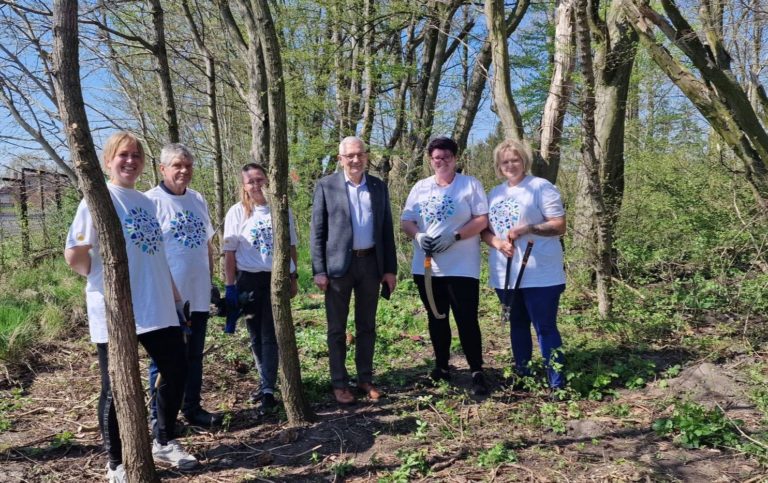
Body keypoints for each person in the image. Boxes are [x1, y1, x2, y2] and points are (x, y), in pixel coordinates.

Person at [64, 132, 197, 482]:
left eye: (136, 155)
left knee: (176, 369)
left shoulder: (145, 201)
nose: (130, 160)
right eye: (123, 155)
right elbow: (74, 255)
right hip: (117, 310)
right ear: (108, 161)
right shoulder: (98, 199)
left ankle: (164, 441)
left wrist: (176, 298)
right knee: (117, 386)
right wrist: (100, 279)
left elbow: (157, 256)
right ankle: (117, 463)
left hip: (157, 305)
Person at [310, 136, 397, 404]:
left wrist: (390, 269)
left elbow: (386, 230)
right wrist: (319, 270)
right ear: (341, 159)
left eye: (360, 154)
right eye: (350, 156)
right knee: (337, 329)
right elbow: (317, 232)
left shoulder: (378, 187)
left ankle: (364, 378)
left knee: (366, 326)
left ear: (366, 156)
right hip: (338, 268)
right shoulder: (326, 186)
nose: (356, 160)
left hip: (371, 264)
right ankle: (339, 383)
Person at [400, 136, 490, 396]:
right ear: (430, 160)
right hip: (427, 268)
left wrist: (456, 235)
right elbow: (407, 220)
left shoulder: (470, 185)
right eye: (436, 158)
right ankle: (442, 367)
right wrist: (418, 235)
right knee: (436, 318)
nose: (441, 162)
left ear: (455, 159)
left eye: (446, 157)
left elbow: (482, 219)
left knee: (466, 319)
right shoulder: (420, 187)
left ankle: (476, 369)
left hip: (462, 267)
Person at [145, 143, 222, 428]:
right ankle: (161, 418)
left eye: (188, 165)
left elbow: (207, 245)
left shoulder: (197, 199)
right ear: (163, 169)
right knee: (164, 361)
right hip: (167, 297)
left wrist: (211, 283)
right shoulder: (149, 202)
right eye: (177, 165)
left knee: (194, 356)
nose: (184, 170)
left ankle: (192, 407)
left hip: (198, 294)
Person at [481, 139, 567, 393]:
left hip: (540, 273)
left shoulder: (541, 187)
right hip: (505, 273)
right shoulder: (494, 194)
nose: (510, 165)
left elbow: (558, 225)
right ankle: (523, 377)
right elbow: (485, 230)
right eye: (505, 161)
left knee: (545, 328)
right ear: (498, 165)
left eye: (515, 160)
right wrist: (497, 242)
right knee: (517, 325)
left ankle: (557, 383)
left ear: (524, 161)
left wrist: (528, 228)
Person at [223, 163, 298, 413]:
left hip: (275, 279)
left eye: (260, 179)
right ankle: (265, 381)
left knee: (270, 334)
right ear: (244, 185)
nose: (256, 185)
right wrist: (230, 286)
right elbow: (229, 252)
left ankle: (268, 389)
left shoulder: (281, 211)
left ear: (267, 180)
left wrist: (293, 276)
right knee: (255, 334)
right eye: (250, 181)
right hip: (248, 281)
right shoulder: (237, 212)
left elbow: (291, 247)